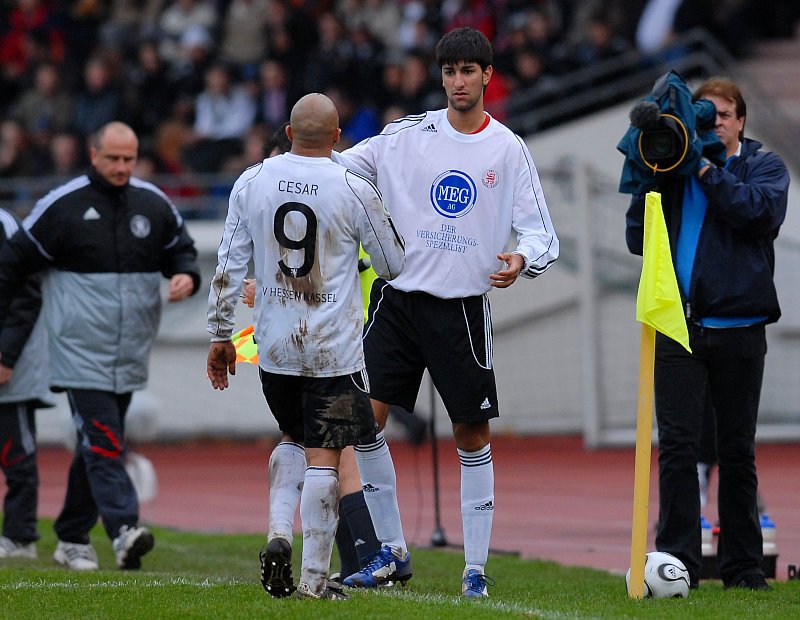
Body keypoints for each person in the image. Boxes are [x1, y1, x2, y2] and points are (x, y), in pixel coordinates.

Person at [333, 27, 559, 597]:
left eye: (468, 71)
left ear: (487, 77)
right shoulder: (407, 135)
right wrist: (300, 164)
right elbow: (341, 170)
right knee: (365, 421)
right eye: (450, 71)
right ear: (441, 77)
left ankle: (475, 571)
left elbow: (543, 235)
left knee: (470, 433)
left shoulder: (508, 149)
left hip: (460, 308)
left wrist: (521, 258)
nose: (458, 81)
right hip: (397, 299)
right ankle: (391, 552)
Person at [206, 93, 405, 600]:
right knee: (326, 455)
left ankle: (277, 533)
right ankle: (315, 581)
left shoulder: (252, 181)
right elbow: (392, 265)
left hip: (274, 347)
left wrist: (220, 337)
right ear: (338, 139)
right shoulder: (354, 187)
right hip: (332, 347)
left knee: (292, 435)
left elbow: (229, 268)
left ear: (289, 134)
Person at [0, 121, 201, 571]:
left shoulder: (154, 203)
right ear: (93, 155)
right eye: (113, 158)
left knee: (97, 443)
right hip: (77, 351)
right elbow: (13, 264)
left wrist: (187, 274)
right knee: (106, 440)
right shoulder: (62, 206)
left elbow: (181, 249)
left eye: (129, 159)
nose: (121, 167)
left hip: (129, 351)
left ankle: (71, 538)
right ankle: (124, 529)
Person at [625, 76, 789, 590]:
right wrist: (647, 165)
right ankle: (679, 567)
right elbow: (637, 237)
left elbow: (754, 213)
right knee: (676, 449)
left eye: (722, 114)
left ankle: (742, 568)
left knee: (737, 449)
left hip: (739, 327)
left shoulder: (765, 167)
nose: (713, 122)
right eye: (704, 115)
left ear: (740, 121)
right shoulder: (673, 169)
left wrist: (701, 164)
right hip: (680, 325)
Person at [0, 207, 51, 559]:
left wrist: (6, 356)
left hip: (9, 363)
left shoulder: (5, 226)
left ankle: (20, 537)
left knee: (14, 451)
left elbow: (26, 294)